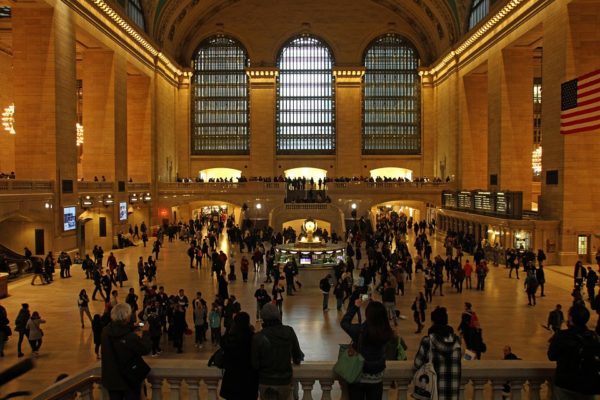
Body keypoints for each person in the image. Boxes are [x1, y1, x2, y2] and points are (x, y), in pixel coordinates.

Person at [341, 299, 394, 400]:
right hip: (376, 378)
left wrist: (355, 307)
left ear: (367, 314)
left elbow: (344, 323)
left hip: (358, 376)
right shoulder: (387, 333)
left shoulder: (360, 331)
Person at [548, 303, 600, 399]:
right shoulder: (595, 337)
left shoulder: (562, 336)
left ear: (571, 318)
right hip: (588, 387)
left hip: (565, 385)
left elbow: (551, 356)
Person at [252, 303, 303, 400]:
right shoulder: (289, 331)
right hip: (284, 381)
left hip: (265, 381)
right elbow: (297, 356)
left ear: (263, 318)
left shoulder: (258, 337)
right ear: (278, 316)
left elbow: (255, 364)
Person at [101, 303, 150, 400]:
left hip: (111, 380)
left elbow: (118, 330)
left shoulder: (105, 332)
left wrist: (132, 326)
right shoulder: (130, 337)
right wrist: (146, 332)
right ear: (126, 317)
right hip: (128, 380)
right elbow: (145, 349)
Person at [414, 307, 462, 400]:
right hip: (452, 395)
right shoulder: (457, 342)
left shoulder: (428, 341)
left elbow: (417, 364)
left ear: (433, 322)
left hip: (433, 395)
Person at [219, 312, 259, 400]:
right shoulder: (253, 337)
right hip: (249, 383)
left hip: (232, 383)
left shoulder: (230, 338)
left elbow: (222, 341)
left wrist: (230, 328)